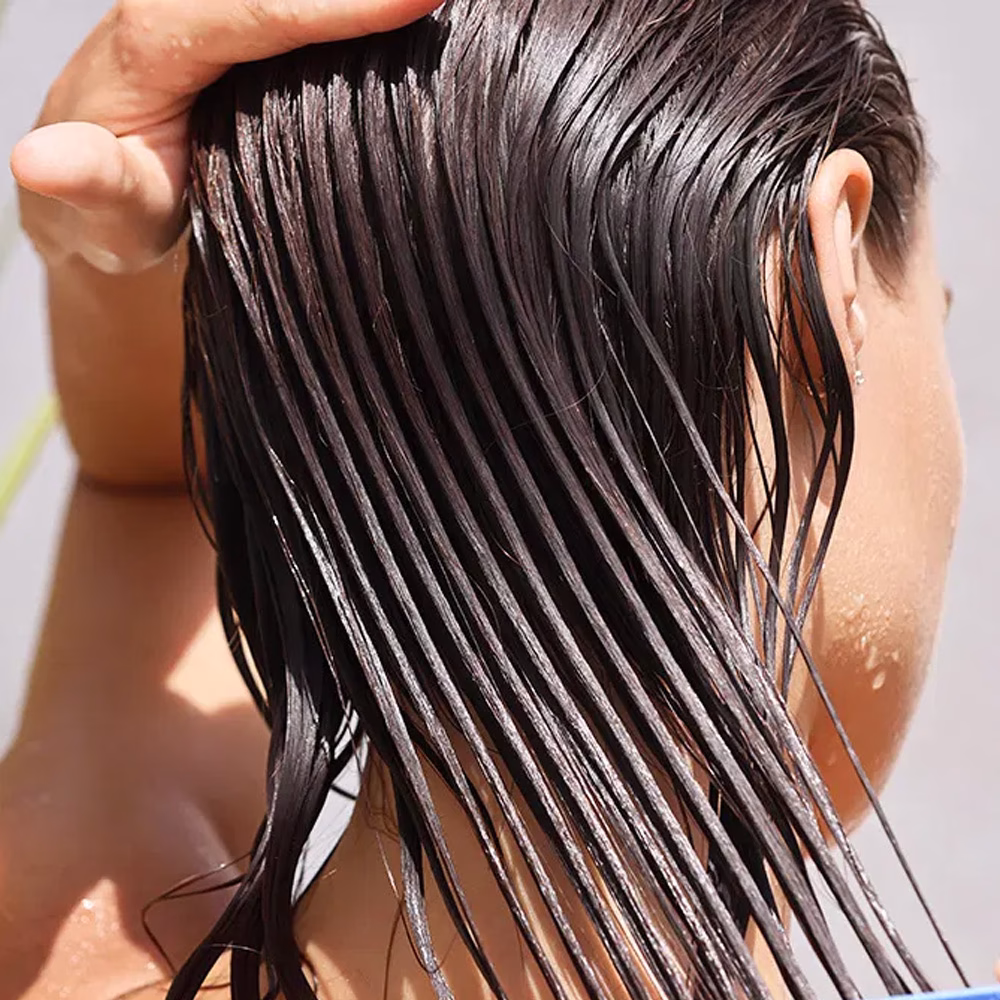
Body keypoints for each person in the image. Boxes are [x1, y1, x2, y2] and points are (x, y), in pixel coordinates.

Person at [1, 0, 964, 998]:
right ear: (829, 267)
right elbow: (147, 479)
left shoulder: (69, 951)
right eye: (933, 315)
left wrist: (118, 207)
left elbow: (147, 484)